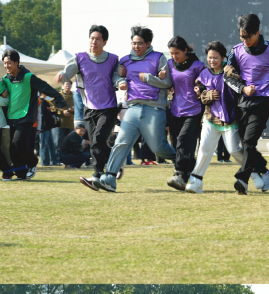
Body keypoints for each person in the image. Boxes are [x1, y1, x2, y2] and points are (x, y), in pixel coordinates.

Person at [91, 26, 176, 192]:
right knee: (121, 142)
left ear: (148, 43)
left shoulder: (159, 58)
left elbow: (167, 83)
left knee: (158, 148)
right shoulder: (125, 60)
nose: (136, 46)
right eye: (134, 43)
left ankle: (182, 163)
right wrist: (120, 81)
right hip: (132, 108)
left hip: (154, 108)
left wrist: (148, 78)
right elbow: (116, 76)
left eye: (140, 43)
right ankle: (109, 178)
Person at [224, 13, 269, 194]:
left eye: (248, 37)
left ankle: (242, 180)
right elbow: (227, 77)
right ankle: (265, 172)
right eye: (241, 37)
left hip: (264, 101)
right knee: (245, 145)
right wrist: (242, 88)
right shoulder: (236, 51)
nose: (244, 40)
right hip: (243, 102)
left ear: (257, 33)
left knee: (249, 141)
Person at [2, 49, 69, 180]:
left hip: (27, 115)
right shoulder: (5, 79)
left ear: (16, 63)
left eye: (9, 63)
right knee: (13, 147)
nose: (6, 66)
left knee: (18, 142)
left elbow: (45, 87)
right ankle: (21, 173)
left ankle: (32, 163)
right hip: (11, 116)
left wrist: (59, 100)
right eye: (4, 63)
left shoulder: (28, 77)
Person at [187, 41, 243, 193]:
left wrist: (235, 75)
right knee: (204, 148)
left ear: (223, 57)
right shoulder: (204, 73)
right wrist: (206, 95)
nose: (212, 61)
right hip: (210, 118)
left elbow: (241, 86)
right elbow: (199, 92)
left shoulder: (230, 70)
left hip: (230, 118)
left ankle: (257, 171)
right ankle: (195, 182)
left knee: (234, 150)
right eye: (210, 57)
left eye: (215, 58)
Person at [160, 36, 207, 191]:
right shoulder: (169, 65)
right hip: (175, 110)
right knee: (175, 144)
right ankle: (191, 175)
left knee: (184, 141)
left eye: (177, 53)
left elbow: (207, 83)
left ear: (185, 50)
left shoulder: (198, 66)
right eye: (171, 53)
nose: (174, 56)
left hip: (194, 110)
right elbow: (166, 81)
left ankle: (179, 174)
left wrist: (201, 88)